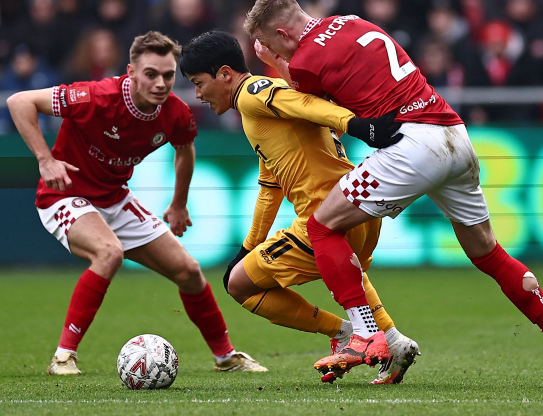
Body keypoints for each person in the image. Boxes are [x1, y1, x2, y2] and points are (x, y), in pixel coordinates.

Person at [244, 0, 543, 387]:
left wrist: (274, 64)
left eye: (275, 47)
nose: (278, 56)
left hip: (412, 145)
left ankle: (364, 335)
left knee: (323, 227)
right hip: (453, 133)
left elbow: (308, 107)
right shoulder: (354, 22)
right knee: (489, 253)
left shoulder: (302, 58)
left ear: (284, 36)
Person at [6, 30, 267, 375]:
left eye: (168, 75)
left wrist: (179, 204)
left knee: (189, 271)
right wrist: (44, 158)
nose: (161, 83)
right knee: (109, 253)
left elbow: (185, 151)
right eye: (151, 74)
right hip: (66, 195)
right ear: (130, 73)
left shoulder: (174, 113)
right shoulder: (94, 96)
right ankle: (64, 357)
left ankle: (226, 357)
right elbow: (19, 102)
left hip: (114, 198)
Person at [178, 30, 419, 384]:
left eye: (199, 83)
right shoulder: (261, 110)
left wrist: (356, 125)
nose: (197, 95)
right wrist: (248, 246)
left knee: (238, 285)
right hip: (361, 211)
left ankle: (344, 334)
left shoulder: (251, 95)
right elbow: (270, 186)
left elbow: (303, 105)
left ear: (225, 74)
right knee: (347, 273)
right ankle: (393, 342)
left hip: (326, 218)